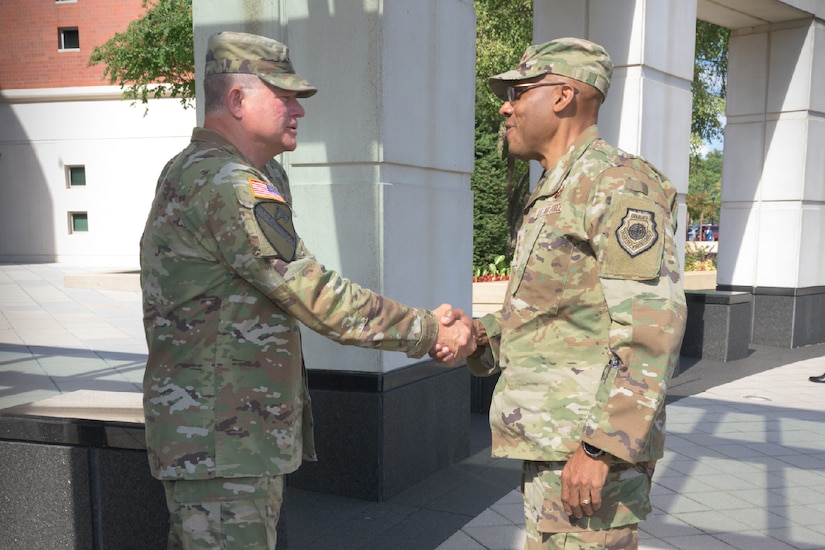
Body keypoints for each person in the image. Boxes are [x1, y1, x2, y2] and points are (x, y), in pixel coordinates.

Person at [139, 31, 473, 549]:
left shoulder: (244, 173)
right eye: (285, 95)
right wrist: (429, 330)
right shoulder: (227, 183)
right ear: (236, 100)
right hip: (221, 443)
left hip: (226, 437)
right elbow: (319, 297)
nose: (299, 109)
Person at [454, 38, 687, 549]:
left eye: (517, 91)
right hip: (556, 439)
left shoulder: (618, 184)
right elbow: (557, 315)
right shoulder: (559, 186)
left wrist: (601, 448)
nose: (505, 105)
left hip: (585, 451)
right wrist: (479, 336)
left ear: (562, 96)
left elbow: (652, 328)